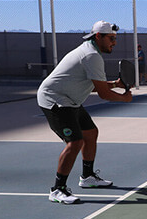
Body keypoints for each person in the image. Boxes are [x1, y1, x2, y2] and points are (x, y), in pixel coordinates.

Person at [37, 20, 132, 204]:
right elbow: (104, 94)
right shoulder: (91, 56)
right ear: (99, 36)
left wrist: (115, 84)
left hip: (70, 100)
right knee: (75, 142)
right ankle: (57, 189)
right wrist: (124, 98)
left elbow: (93, 86)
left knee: (91, 133)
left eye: (115, 38)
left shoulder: (91, 51)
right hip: (54, 100)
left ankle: (87, 177)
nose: (114, 42)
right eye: (111, 38)